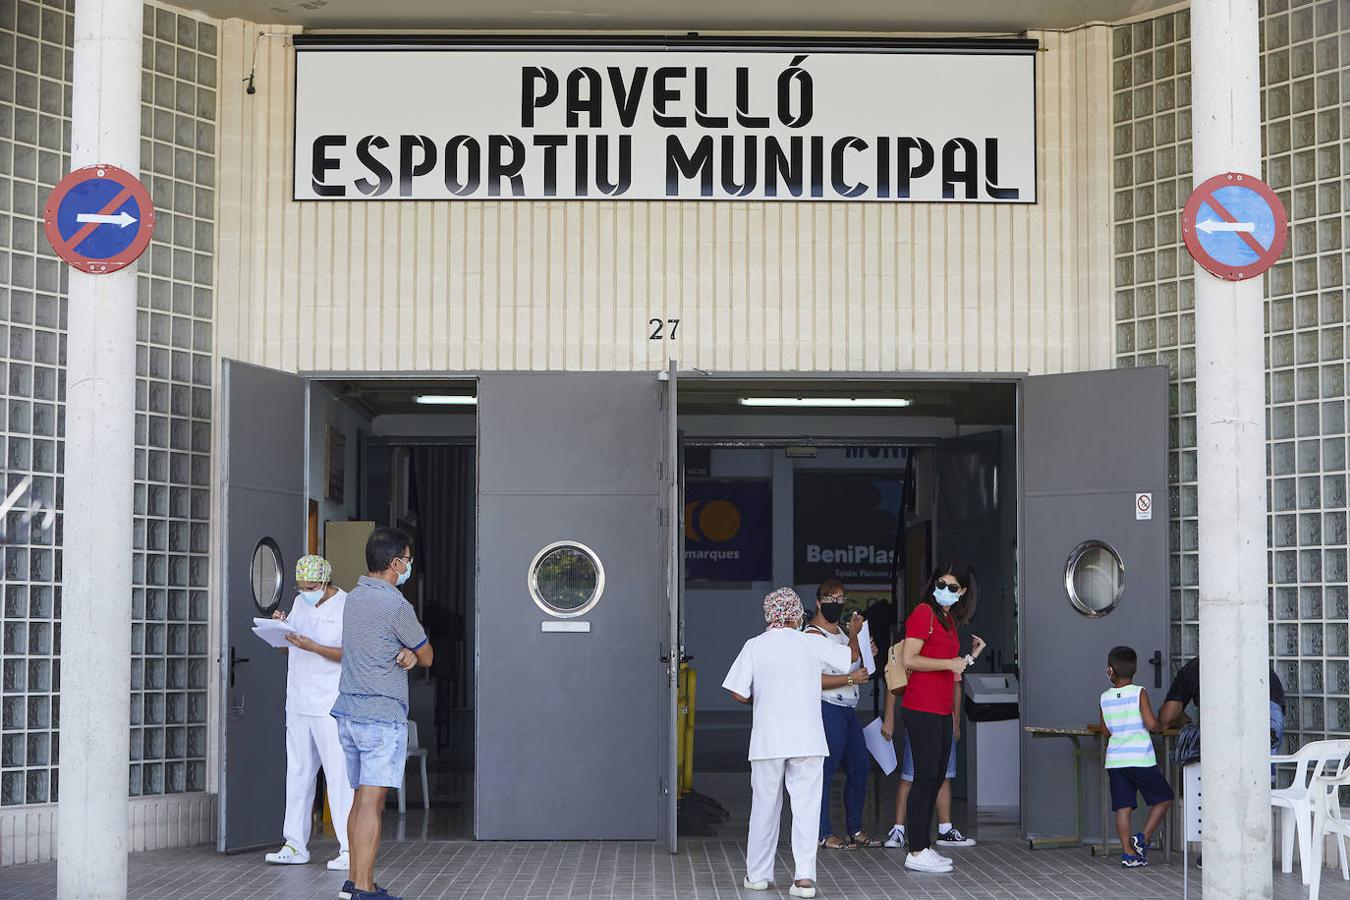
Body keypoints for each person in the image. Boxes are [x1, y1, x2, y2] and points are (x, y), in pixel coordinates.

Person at [723, 588, 862, 899]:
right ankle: (803, 880)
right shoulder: (811, 642)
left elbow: (738, 692)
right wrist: (853, 633)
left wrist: (765, 698)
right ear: (798, 613)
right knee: (806, 809)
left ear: (769, 614)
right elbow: (850, 658)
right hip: (807, 739)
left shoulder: (755, 646)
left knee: (764, 809)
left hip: (768, 740)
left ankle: (758, 876)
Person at [331, 528, 434, 900]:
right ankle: (362, 889)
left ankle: (355, 883)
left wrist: (403, 652)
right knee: (373, 804)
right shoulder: (396, 605)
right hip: (380, 715)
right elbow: (427, 655)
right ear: (395, 564)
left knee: (359, 799)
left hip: (349, 712)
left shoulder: (353, 598)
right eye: (407, 560)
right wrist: (411, 653)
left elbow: (378, 643)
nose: (409, 567)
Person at [262, 555, 354, 870]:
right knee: (298, 772)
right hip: (299, 700)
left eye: (311, 586)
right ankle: (294, 844)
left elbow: (349, 653)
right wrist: (281, 630)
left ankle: (349, 848)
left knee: (338, 774)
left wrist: (311, 646)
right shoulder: (301, 603)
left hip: (330, 703)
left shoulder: (346, 605)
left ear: (326, 582)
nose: (305, 591)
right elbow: (292, 646)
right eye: (301, 587)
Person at [894, 562, 978, 873]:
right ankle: (916, 850)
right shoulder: (923, 613)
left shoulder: (948, 619)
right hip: (921, 707)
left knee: (935, 777)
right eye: (940, 584)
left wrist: (960, 661)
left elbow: (951, 663)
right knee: (925, 778)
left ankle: (923, 846)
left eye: (952, 587)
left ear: (963, 592)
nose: (944, 590)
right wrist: (949, 663)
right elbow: (909, 659)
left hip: (941, 709)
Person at [880, 629, 985, 852]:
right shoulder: (912, 649)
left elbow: (956, 684)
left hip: (943, 718)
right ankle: (899, 829)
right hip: (922, 716)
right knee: (911, 776)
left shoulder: (947, 650)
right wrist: (889, 718)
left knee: (943, 775)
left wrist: (955, 719)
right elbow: (894, 682)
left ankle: (945, 828)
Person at [806, 579, 882, 851]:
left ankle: (855, 829)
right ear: (817, 601)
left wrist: (866, 652)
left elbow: (854, 662)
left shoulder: (839, 631)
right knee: (824, 772)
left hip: (849, 710)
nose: (835, 604)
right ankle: (823, 832)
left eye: (840, 599)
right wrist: (851, 675)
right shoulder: (812, 635)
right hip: (827, 708)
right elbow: (813, 679)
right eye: (830, 599)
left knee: (859, 768)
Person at [1100, 645, 1173, 868]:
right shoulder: (1139, 692)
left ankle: (1128, 854)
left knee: (1123, 807)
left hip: (1116, 761)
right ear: (1134, 670)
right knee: (1164, 798)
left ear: (1109, 671)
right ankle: (1142, 837)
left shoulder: (1104, 697)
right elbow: (1151, 724)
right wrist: (1162, 725)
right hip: (1140, 759)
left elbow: (1105, 730)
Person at [1159, 656, 1288, 751]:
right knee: (1261, 768)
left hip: (1259, 702)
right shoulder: (1246, 655)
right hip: (1267, 701)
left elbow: (1166, 718)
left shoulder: (1193, 668)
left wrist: (1183, 719)